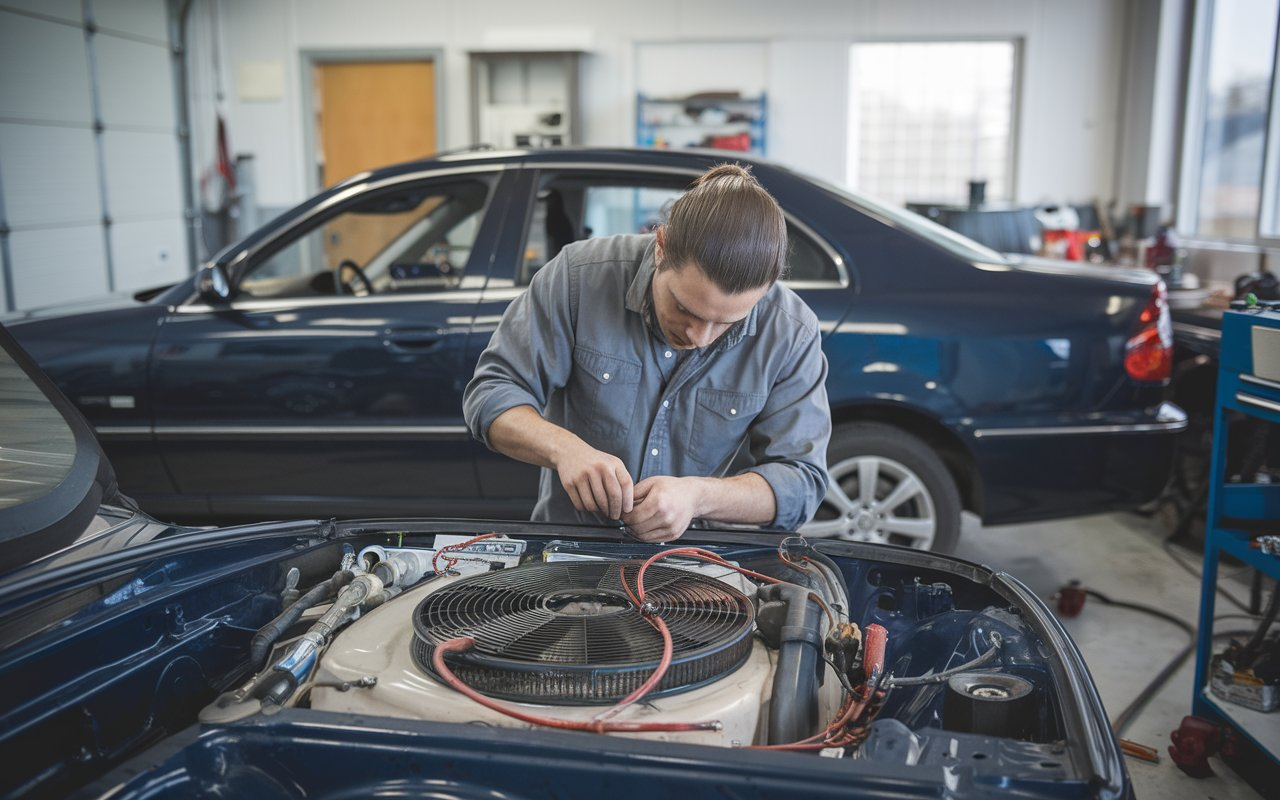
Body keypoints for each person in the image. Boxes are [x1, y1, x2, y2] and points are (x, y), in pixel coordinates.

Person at [462, 163, 831, 542]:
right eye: (685, 308)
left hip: (702, 561)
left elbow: (801, 482)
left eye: (726, 324)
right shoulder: (578, 278)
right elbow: (491, 394)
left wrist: (699, 497)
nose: (699, 336)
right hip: (573, 548)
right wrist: (564, 449)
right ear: (661, 246)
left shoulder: (790, 331)